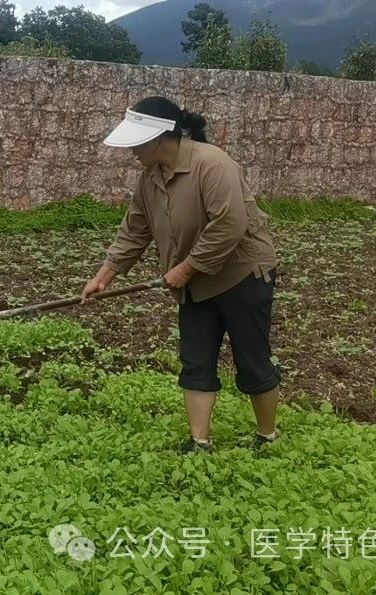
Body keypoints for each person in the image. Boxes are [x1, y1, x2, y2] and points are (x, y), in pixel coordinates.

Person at [82, 97, 281, 454]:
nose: (131, 151)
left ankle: (267, 436)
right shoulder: (150, 178)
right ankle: (199, 443)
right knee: (196, 359)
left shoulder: (212, 164)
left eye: (136, 143)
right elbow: (135, 230)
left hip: (241, 275)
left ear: (159, 138)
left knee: (251, 359)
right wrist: (104, 276)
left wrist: (186, 267)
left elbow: (230, 224)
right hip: (195, 284)